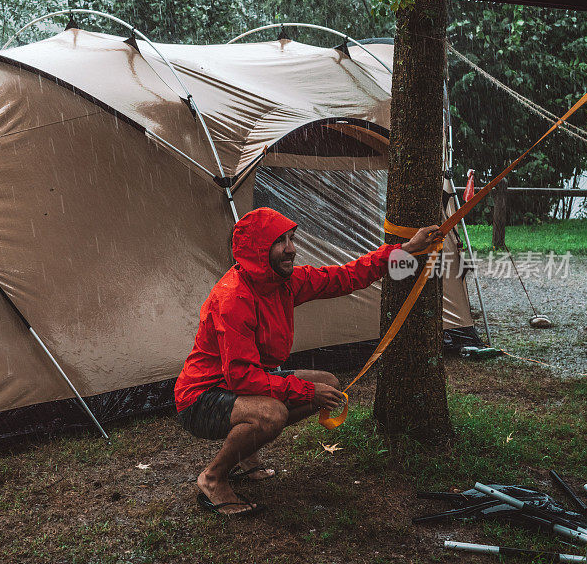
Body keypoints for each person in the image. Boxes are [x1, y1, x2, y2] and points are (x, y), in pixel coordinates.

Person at [174, 207, 442, 516]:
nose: (292, 248)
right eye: (280, 241)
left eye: (291, 238)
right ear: (258, 250)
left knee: (327, 383)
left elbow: (345, 276)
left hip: (246, 383)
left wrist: (406, 249)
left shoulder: (282, 281)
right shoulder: (234, 298)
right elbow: (241, 378)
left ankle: (245, 457)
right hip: (201, 397)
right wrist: (305, 391)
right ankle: (213, 479)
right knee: (272, 414)